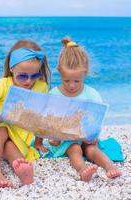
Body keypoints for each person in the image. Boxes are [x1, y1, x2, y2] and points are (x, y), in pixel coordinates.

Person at [35, 37, 121, 182]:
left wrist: (93, 137)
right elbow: (45, 123)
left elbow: (96, 119)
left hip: (86, 138)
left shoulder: (91, 93)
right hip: (64, 141)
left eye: (77, 81)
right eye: (66, 81)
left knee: (92, 150)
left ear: (85, 74)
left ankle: (109, 166)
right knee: (74, 149)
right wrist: (46, 140)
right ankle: (82, 170)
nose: (72, 86)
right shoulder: (54, 95)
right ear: (60, 73)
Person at [0, 39, 51, 188]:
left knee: (10, 147)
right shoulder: (2, 85)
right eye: (22, 76)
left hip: (17, 136)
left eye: (34, 76)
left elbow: (40, 118)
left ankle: (22, 170)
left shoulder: (41, 87)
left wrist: (39, 142)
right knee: (1, 130)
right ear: (12, 69)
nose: (28, 81)